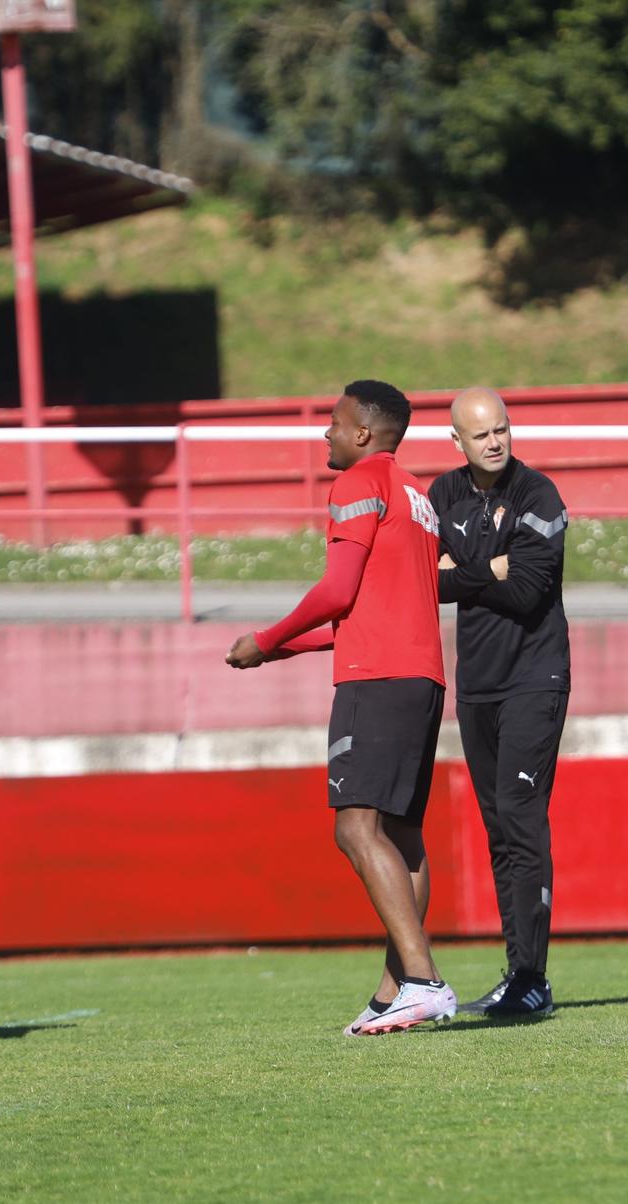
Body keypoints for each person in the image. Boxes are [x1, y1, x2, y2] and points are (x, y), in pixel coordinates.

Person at [226, 380, 456, 1035]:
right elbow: (367, 607)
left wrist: (266, 635)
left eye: (333, 422)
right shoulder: (418, 495)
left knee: (354, 827)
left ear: (362, 433)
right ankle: (394, 992)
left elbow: (337, 589)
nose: (325, 433)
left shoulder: (358, 484)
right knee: (403, 835)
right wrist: (277, 651)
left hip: (376, 679)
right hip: (423, 678)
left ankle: (424, 979)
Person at [430, 387, 570, 1018]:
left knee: (521, 814)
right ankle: (517, 971)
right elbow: (422, 582)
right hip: (477, 685)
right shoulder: (442, 497)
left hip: (534, 680)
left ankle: (534, 977)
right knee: (498, 830)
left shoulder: (539, 496)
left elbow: (530, 591)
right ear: (456, 441)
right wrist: (494, 567)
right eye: (481, 433)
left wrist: (463, 573)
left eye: (502, 430)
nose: (495, 441)